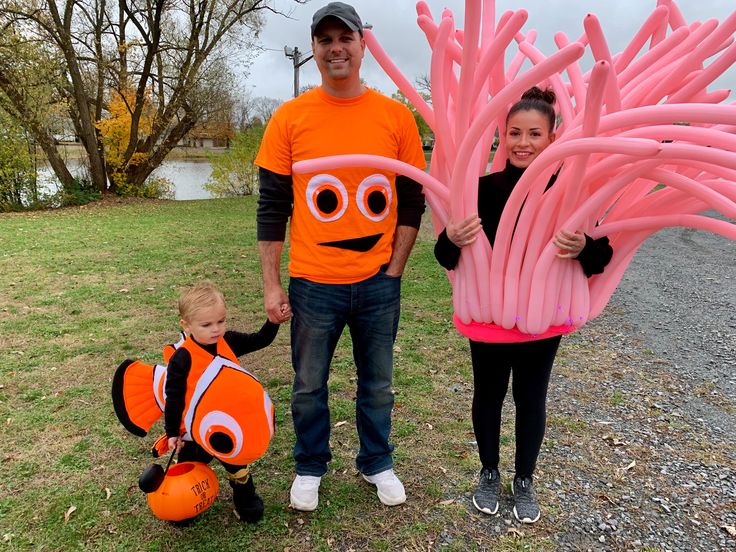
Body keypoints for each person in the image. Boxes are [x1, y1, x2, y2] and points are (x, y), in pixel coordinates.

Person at [254, 2, 426, 511]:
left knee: (378, 385)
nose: (336, 48)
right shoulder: (289, 118)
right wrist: (271, 283)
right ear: (313, 49)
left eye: (345, 38)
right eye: (325, 40)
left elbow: (412, 200)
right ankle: (309, 465)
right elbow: (271, 207)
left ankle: (377, 462)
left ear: (362, 44)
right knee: (308, 387)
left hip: (377, 282)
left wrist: (394, 269)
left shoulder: (395, 117)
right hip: (312, 283)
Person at [434, 87, 613, 524]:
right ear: (502, 136)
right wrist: (450, 239)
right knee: (488, 396)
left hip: (541, 323)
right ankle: (489, 472)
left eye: (534, 133)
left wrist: (584, 247)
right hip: (488, 321)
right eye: (514, 132)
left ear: (553, 139)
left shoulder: (568, 192)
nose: (522, 142)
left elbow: (602, 256)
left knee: (531, 398)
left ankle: (525, 479)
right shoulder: (479, 191)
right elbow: (446, 257)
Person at [165, 281, 280, 523]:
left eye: (221, 321)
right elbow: (173, 399)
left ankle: (245, 502)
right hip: (193, 432)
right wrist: (173, 433)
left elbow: (260, 340)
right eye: (206, 325)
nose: (216, 329)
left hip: (228, 426)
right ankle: (185, 505)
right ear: (186, 326)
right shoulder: (181, 358)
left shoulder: (228, 341)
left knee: (238, 467)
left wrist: (273, 322)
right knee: (190, 470)